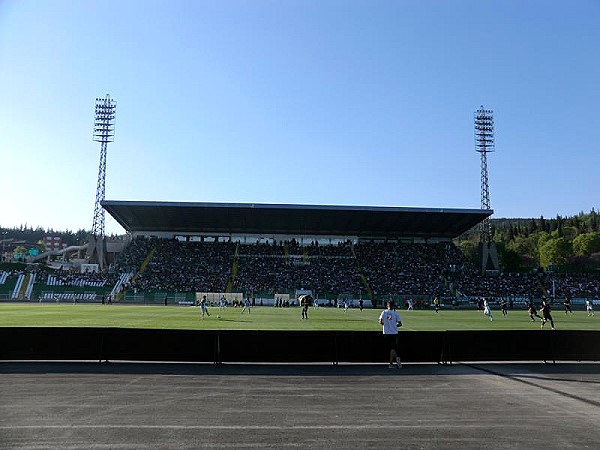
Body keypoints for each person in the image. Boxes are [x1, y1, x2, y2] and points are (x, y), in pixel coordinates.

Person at [378, 301, 403, 369]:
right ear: (393, 306)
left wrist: (386, 325)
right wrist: (394, 326)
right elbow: (400, 324)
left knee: (391, 348)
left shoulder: (384, 312)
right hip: (394, 332)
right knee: (393, 348)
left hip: (386, 332)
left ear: (387, 306)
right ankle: (395, 360)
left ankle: (392, 362)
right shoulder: (395, 313)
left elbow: (380, 321)